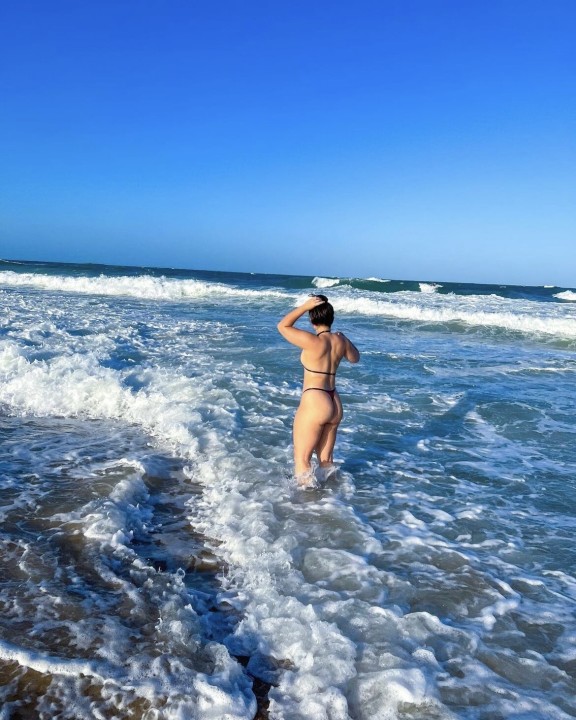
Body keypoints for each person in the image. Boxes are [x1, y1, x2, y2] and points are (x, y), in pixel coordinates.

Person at [277, 294, 360, 487]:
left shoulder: (312, 341)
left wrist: (304, 306)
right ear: (331, 318)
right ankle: (332, 498)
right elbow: (355, 358)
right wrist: (345, 339)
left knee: (302, 459)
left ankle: (306, 502)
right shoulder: (340, 341)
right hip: (334, 401)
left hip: (316, 398)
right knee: (326, 460)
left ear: (312, 319)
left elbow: (282, 326)